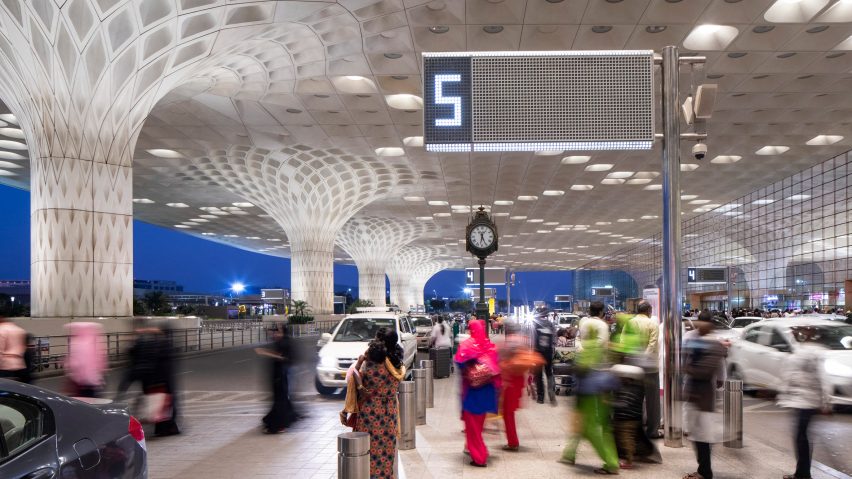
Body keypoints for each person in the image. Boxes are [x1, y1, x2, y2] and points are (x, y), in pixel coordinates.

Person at [561, 309, 620, 475]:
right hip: (603, 392)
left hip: (589, 394)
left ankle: (611, 462)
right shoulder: (606, 347)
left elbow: (580, 371)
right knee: (592, 427)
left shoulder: (584, 348)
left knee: (590, 428)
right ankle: (569, 453)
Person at [777, 326, 831, 479]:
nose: (802, 334)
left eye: (805, 333)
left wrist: (826, 402)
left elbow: (822, 377)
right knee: (802, 437)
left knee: (801, 438)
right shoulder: (806, 349)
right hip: (804, 400)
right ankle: (802, 472)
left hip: (806, 401)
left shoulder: (813, 352)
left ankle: (803, 474)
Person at [353, 328, 405, 478]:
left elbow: (354, 378)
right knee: (386, 450)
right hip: (390, 411)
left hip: (372, 413)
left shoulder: (373, 364)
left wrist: (359, 364)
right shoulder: (397, 361)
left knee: (370, 451)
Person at [682, 311, 727, 479]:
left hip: (704, 395)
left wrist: (721, 378)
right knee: (697, 433)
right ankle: (703, 468)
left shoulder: (714, 343)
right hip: (695, 392)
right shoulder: (691, 337)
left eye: (703, 324)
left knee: (702, 434)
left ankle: (705, 471)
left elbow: (704, 370)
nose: (699, 326)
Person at [455, 319, 500, 467]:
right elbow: (496, 368)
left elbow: (459, 362)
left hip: (472, 394)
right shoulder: (490, 345)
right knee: (477, 427)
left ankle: (480, 457)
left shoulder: (467, 345)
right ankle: (478, 450)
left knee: (472, 429)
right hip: (487, 393)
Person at [498, 321, 542, 452]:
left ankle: (513, 442)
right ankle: (512, 440)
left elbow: (502, 362)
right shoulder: (522, 341)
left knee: (507, 414)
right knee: (508, 412)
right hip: (518, 381)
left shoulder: (508, 344)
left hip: (509, 382)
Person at [255, 324, 298, 434]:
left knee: (280, 400)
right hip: (278, 374)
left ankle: (280, 425)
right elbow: (278, 354)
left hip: (281, 374)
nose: (275, 333)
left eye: (278, 331)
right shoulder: (281, 341)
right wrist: (266, 351)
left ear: (283, 332)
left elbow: (283, 357)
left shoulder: (285, 343)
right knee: (280, 400)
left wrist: (265, 353)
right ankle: (283, 421)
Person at [629, 301, 661, 438]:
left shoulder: (630, 323)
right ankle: (652, 431)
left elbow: (625, 343)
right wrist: (644, 359)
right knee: (652, 401)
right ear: (649, 310)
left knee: (635, 399)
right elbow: (652, 344)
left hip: (633, 366)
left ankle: (636, 429)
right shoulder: (652, 323)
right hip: (650, 368)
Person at [611, 364, 646, 470]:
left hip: (627, 419)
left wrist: (609, 403)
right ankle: (627, 457)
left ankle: (629, 461)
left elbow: (624, 404)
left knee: (626, 440)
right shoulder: (636, 388)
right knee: (625, 439)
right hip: (631, 418)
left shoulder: (629, 390)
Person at [65, 322, 107, 397]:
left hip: (80, 380)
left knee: (81, 400)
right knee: (92, 398)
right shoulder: (94, 341)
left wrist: (71, 371)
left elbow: (74, 362)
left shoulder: (76, 342)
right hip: (93, 379)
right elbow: (100, 359)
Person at [532, 308, 557, 405]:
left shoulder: (535, 325)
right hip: (548, 353)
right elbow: (555, 340)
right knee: (549, 374)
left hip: (537, 353)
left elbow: (532, 339)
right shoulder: (551, 325)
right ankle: (552, 397)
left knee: (538, 375)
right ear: (546, 315)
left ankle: (540, 397)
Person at [0, 316, 27, 381]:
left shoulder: (1, 330)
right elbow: (24, 347)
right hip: (20, 364)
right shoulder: (19, 330)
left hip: (5, 366)